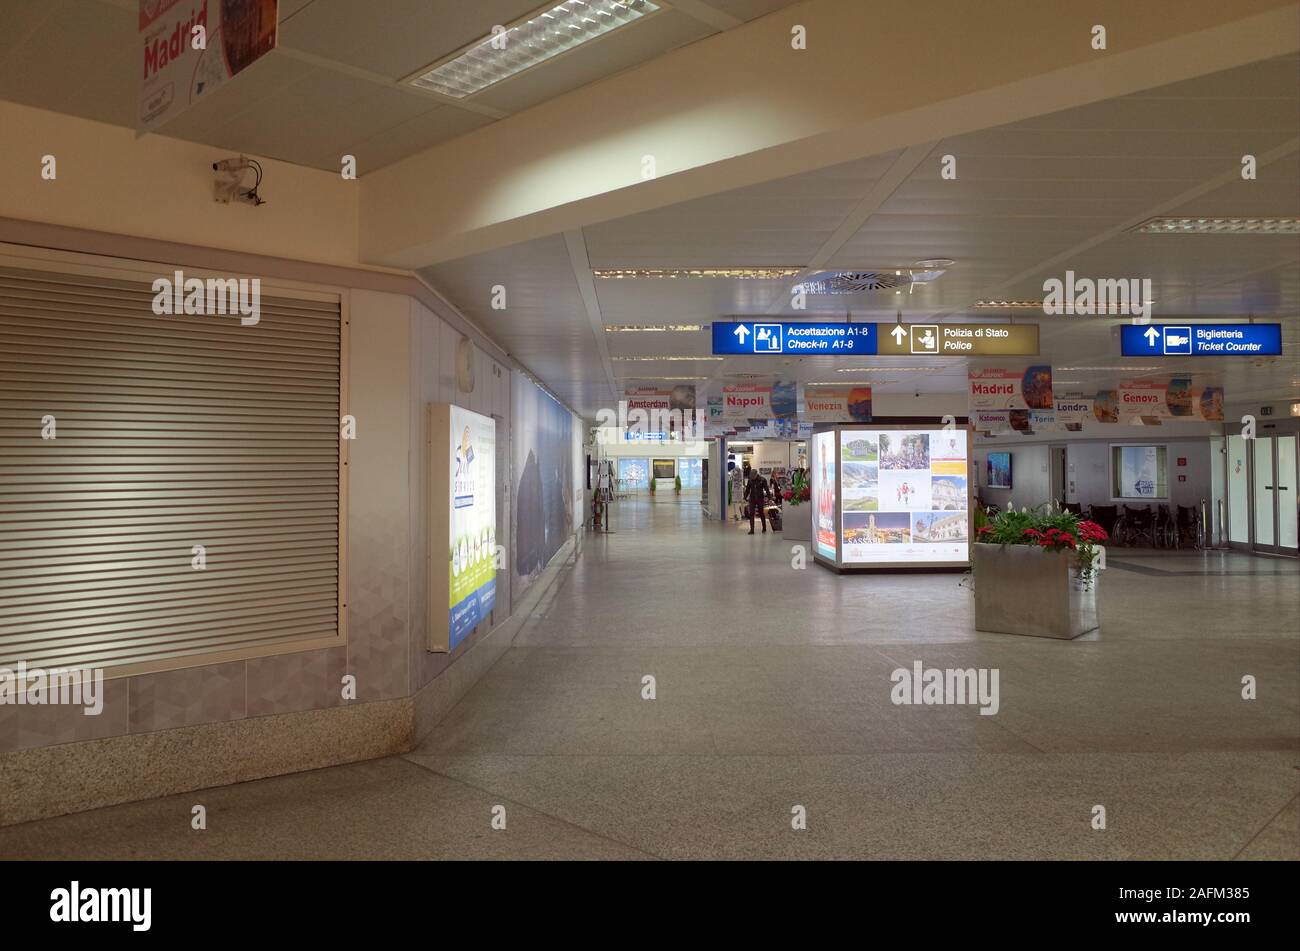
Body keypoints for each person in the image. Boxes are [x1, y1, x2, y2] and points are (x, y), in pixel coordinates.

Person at [745, 468, 771, 534]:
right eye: (751, 476)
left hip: (760, 498)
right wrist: (745, 497)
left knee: (761, 513)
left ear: (756, 474)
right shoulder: (750, 480)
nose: (752, 477)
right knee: (751, 513)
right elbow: (747, 489)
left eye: (753, 476)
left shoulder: (762, 480)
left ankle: (764, 528)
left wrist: (770, 498)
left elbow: (767, 490)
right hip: (752, 498)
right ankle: (752, 529)